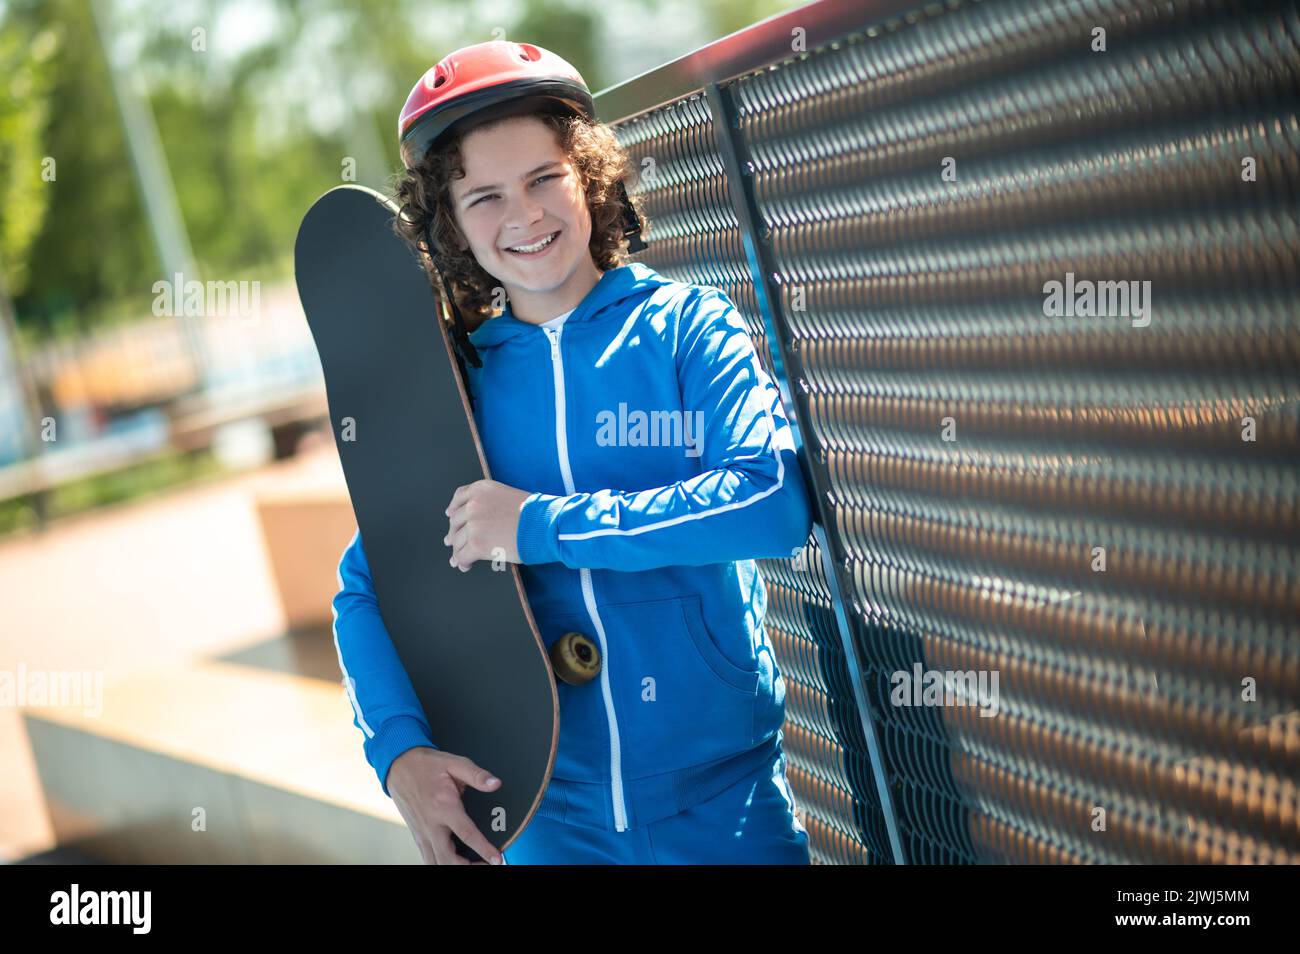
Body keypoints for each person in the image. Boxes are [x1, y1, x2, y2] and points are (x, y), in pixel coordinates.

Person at [331, 39, 814, 865]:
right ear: (449, 224)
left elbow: (769, 500)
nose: (523, 217)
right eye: (483, 197)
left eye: (543, 178)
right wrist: (399, 754)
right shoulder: (457, 388)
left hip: (723, 804)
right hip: (549, 821)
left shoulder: (686, 329)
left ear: (587, 175)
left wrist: (543, 527)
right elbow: (368, 588)